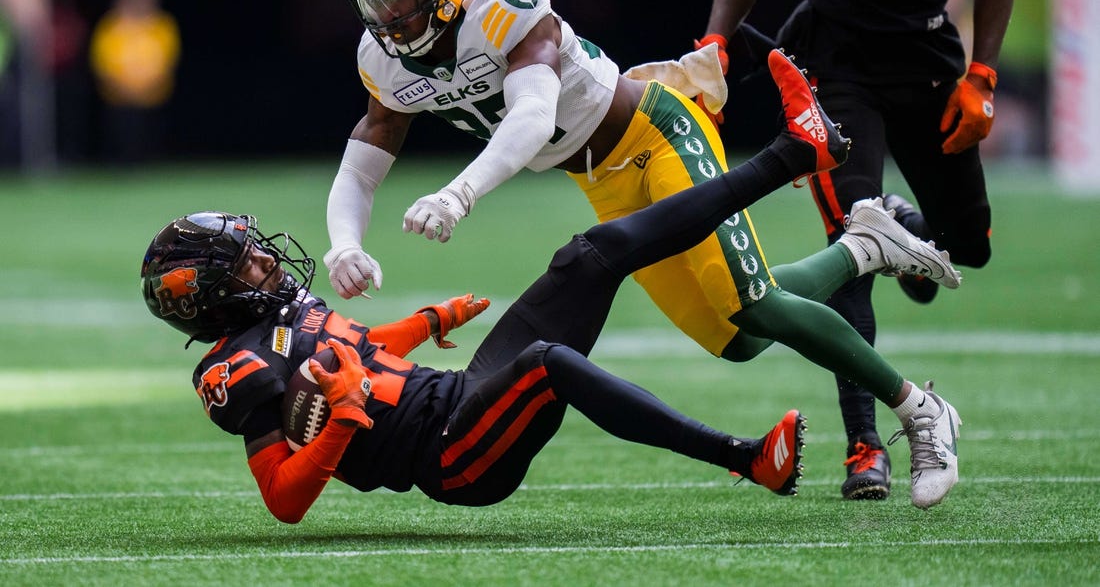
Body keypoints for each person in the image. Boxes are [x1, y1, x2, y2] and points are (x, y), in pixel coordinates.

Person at [325, 0, 960, 479]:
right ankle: (864, 249)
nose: (389, 19)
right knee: (736, 338)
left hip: (656, 137)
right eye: (375, 4)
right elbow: (363, 159)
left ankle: (921, 407)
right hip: (600, 179)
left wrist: (458, 194)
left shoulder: (504, 6)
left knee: (751, 304)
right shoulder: (382, 57)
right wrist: (344, 244)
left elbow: (533, 115)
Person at [142, 100, 963, 521]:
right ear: (212, 295)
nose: (265, 260)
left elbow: (356, 347)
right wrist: (339, 425)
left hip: (454, 389)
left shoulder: (289, 315)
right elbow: (284, 496)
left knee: (590, 254)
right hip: (451, 455)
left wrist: (422, 326)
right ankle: (745, 456)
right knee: (548, 366)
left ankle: (790, 155)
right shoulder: (232, 369)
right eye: (245, 260)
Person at [697, 0, 1014, 500]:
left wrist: (982, 74)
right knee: (850, 246)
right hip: (836, 64)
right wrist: (715, 42)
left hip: (926, 58)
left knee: (968, 244)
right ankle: (866, 444)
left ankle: (904, 229)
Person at [89, 0, 181, 163]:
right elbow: (102, 63)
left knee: (152, 138)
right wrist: (122, 88)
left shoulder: (162, 25)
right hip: (118, 97)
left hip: (154, 96)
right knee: (122, 137)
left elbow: (169, 60)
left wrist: (147, 87)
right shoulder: (110, 26)